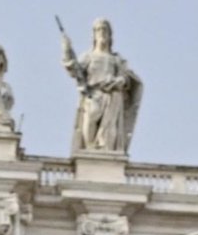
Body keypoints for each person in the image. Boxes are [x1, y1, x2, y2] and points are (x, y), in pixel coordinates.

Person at [61, 18, 143, 154]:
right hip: (93, 94)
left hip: (112, 96)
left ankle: (106, 152)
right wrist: (66, 50)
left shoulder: (116, 58)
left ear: (110, 34)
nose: (102, 32)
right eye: (98, 29)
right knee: (90, 118)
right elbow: (75, 70)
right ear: (94, 34)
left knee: (110, 128)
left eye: (105, 29)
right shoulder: (89, 56)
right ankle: (89, 149)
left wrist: (121, 80)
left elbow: (126, 77)